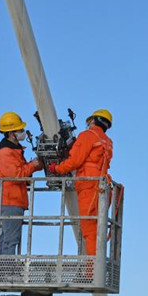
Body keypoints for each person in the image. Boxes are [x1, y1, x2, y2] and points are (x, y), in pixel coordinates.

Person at [49, 109, 113, 256]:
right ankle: (96, 265)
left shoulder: (87, 136)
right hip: (101, 186)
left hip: (88, 185)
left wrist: (57, 168)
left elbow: (75, 161)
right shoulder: (108, 141)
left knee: (89, 229)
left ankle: (91, 271)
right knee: (98, 228)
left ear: (93, 120)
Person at [0, 111, 43, 255]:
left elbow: (21, 171)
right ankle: (6, 272)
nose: (22, 132)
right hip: (11, 200)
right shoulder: (5, 152)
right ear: (11, 133)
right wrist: (33, 165)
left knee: (8, 237)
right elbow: (16, 175)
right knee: (10, 239)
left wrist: (35, 166)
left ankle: (3, 270)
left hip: (15, 199)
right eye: (20, 130)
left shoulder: (13, 150)